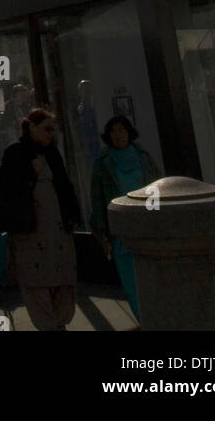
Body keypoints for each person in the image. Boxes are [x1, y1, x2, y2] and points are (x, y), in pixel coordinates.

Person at [0, 108, 80, 331]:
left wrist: (73, 215)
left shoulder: (52, 152)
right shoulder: (15, 152)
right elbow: (5, 184)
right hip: (30, 231)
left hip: (58, 230)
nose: (51, 134)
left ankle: (59, 324)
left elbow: (65, 187)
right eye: (46, 129)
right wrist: (30, 172)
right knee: (36, 285)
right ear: (31, 127)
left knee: (63, 283)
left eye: (53, 129)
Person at [90, 115, 160, 321]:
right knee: (131, 279)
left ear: (129, 132)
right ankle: (144, 318)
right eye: (113, 131)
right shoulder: (103, 163)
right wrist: (102, 233)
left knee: (153, 276)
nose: (118, 135)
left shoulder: (143, 156)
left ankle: (159, 315)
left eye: (121, 130)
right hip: (121, 230)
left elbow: (157, 184)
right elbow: (97, 198)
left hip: (147, 226)